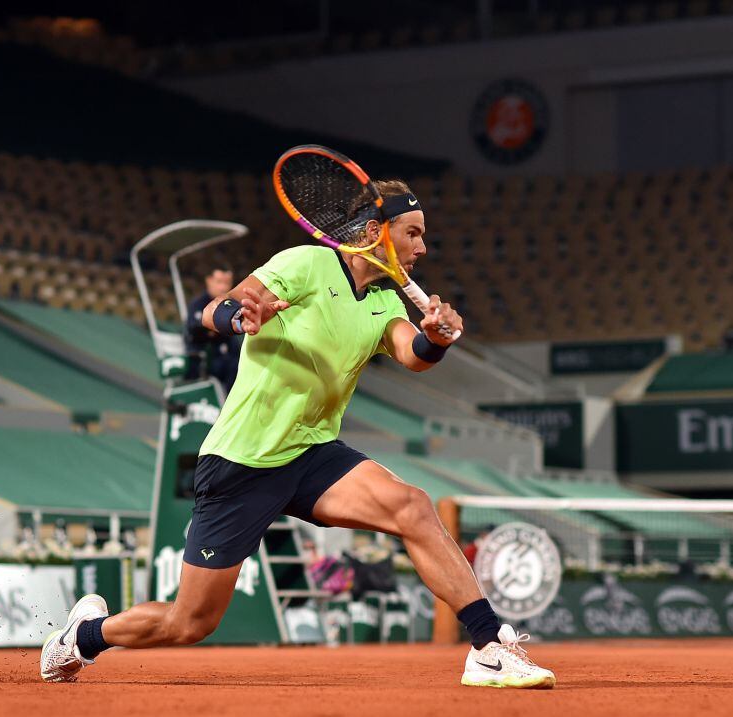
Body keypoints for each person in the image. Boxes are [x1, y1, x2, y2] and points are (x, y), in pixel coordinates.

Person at [41, 180, 555, 689]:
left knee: (413, 506)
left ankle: (488, 647)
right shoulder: (306, 263)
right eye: (413, 233)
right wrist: (242, 313)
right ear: (375, 231)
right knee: (190, 623)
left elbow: (413, 355)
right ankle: (83, 637)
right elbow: (217, 310)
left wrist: (436, 339)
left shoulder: (385, 301)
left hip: (312, 455)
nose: (423, 246)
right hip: (243, 461)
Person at [184, 265, 242, 393]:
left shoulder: (231, 304)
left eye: (227, 283)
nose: (223, 287)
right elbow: (195, 332)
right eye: (219, 282)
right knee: (233, 366)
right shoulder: (198, 304)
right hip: (205, 358)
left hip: (229, 355)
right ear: (209, 280)